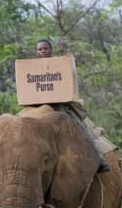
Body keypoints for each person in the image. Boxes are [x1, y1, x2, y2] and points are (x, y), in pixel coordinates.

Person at [34, 39, 110, 172]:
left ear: (50, 50)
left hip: (62, 106)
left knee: (83, 129)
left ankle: (98, 159)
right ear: (36, 52)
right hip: (36, 107)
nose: (43, 51)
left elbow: (71, 71)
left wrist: (71, 64)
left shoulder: (59, 64)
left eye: (45, 49)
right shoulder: (30, 68)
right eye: (40, 49)